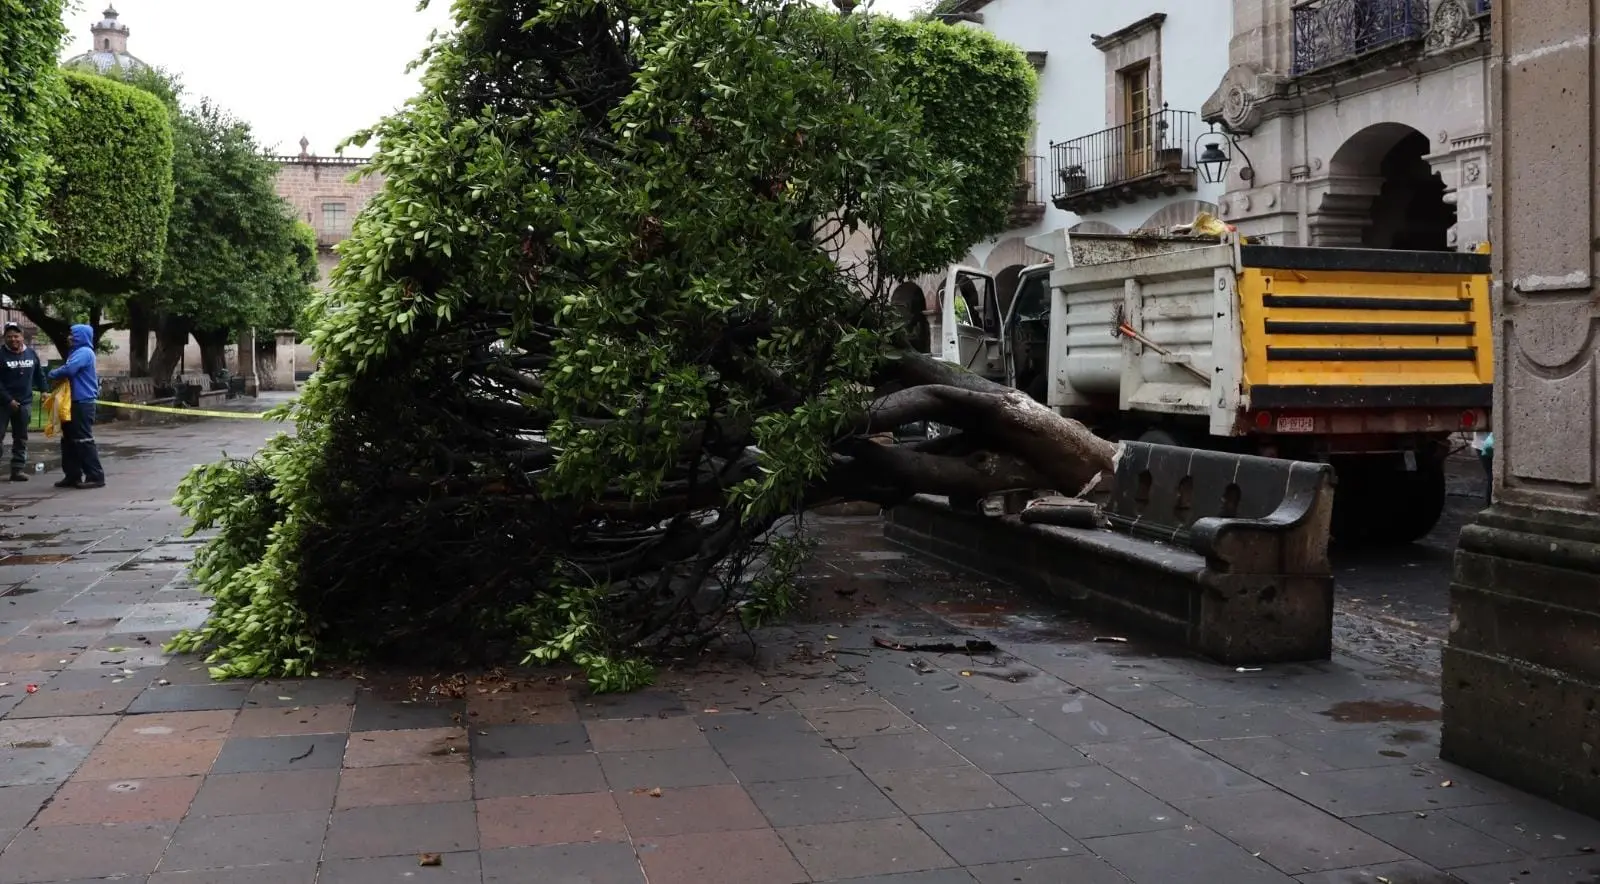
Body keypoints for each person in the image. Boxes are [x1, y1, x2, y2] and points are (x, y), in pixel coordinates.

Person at [46, 324, 104, 489]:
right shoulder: (77, 353)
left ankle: (95, 476)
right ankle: (72, 475)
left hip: (82, 402)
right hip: (72, 401)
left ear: (80, 336)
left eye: (72, 334)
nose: (69, 337)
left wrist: (52, 373)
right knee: (69, 440)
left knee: (83, 439)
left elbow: (70, 370)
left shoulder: (84, 352)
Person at [0, 323, 48, 482]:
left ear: (22, 336)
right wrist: (8, 400)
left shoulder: (31, 354)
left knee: (20, 438)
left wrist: (44, 391)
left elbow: (39, 375)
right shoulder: (1, 355)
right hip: (3, 404)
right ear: (4, 338)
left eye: (16, 336)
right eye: (9, 337)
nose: (13, 339)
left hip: (25, 402)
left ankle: (17, 470)